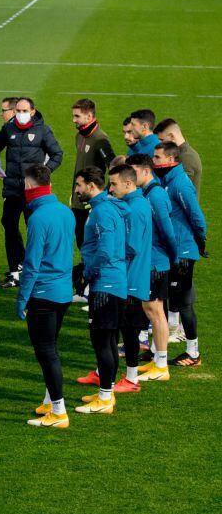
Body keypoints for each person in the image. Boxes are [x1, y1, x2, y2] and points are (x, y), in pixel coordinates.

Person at [17, 165, 75, 429]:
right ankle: (51, 401)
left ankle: (59, 411)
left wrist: (22, 299)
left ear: (30, 187)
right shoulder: (65, 211)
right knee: (51, 347)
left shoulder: (38, 218)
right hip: (63, 291)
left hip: (44, 293)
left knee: (47, 352)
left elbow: (32, 263)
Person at [0, 97, 64, 288]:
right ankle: (16, 270)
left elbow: (57, 154)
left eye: (23, 111)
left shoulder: (42, 130)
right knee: (10, 225)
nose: (19, 114)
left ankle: (38, 270)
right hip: (13, 189)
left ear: (32, 111)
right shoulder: (9, 129)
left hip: (34, 192)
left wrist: (44, 174)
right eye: (17, 111)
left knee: (36, 229)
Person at [71, 167, 127, 415]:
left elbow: (105, 249)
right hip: (114, 282)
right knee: (109, 341)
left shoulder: (103, 211)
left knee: (102, 341)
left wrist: (88, 271)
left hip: (105, 283)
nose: (76, 190)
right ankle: (108, 392)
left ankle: (105, 399)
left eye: (79, 185)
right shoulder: (107, 208)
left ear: (92, 185)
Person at [154, 142, 207, 367]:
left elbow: (197, 217)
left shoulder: (180, 184)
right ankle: (159, 349)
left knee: (183, 303)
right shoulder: (168, 181)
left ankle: (193, 353)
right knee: (167, 299)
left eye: (157, 158)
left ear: (171, 160)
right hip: (173, 250)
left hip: (183, 252)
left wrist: (199, 241)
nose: (154, 161)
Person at [127, 154, 178, 381]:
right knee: (152, 310)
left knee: (155, 311)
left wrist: (171, 257)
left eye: (133, 171)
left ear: (146, 171)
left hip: (156, 262)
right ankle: (157, 358)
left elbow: (168, 231)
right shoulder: (148, 193)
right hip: (152, 260)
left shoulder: (155, 195)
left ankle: (161, 365)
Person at [105, 164, 153, 393]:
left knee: (127, 330)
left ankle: (132, 379)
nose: (111, 189)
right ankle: (107, 373)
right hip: (134, 277)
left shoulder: (133, 209)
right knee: (123, 329)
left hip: (130, 280)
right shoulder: (138, 203)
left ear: (128, 183)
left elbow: (130, 246)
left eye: (113, 184)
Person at [69, 99, 115, 294]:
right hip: (78, 202)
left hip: (92, 204)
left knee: (95, 245)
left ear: (89, 116)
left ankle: (96, 289)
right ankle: (85, 288)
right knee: (83, 244)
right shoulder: (80, 137)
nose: (74, 120)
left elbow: (113, 164)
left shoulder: (100, 139)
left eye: (77, 116)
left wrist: (108, 194)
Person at [155, 118, 202, 194]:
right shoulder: (178, 154)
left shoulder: (187, 157)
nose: (160, 143)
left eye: (162, 140)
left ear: (172, 136)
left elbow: (182, 191)